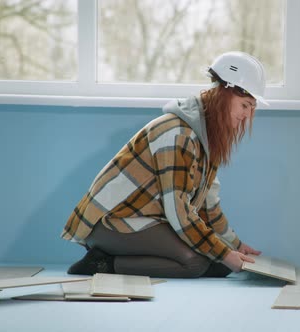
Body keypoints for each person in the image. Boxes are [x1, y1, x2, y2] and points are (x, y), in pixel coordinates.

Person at [61, 51, 267, 278]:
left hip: (147, 221)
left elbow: (209, 206)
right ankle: (101, 264)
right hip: (112, 224)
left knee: (217, 262)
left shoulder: (206, 138)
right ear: (224, 95)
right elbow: (179, 212)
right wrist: (225, 254)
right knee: (196, 263)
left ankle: (122, 261)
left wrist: (235, 245)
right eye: (245, 105)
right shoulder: (178, 134)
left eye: (251, 109)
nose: (247, 116)